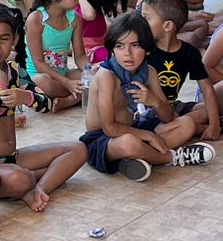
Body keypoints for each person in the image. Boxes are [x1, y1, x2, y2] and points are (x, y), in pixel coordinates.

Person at [0, 4, 88, 212]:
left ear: (15, 40)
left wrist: (26, 96)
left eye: (3, 38)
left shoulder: (13, 70)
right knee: (20, 178)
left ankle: (39, 188)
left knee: (78, 149)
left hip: (13, 157)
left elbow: (46, 104)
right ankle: (30, 183)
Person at [79, 11, 214, 183]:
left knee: (187, 124)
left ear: (147, 48)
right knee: (129, 143)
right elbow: (109, 129)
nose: (127, 53)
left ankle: (138, 158)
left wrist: (154, 101)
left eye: (135, 45)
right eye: (120, 46)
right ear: (112, 48)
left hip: (134, 127)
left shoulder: (149, 71)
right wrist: (150, 136)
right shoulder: (107, 75)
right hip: (101, 139)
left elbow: (168, 117)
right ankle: (172, 157)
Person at [140, 0, 223, 138]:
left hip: (174, 107)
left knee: (205, 109)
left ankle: (212, 124)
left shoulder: (189, 52)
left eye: (146, 18)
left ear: (168, 26)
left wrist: (213, 125)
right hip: (148, 110)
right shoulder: (142, 50)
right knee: (177, 122)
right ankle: (207, 127)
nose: (140, 22)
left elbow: (207, 90)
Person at [24, 0, 85, 110]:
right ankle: (79, 96)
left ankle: (69, 100)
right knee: (44, 82)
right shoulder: (36, 20)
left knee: (96, 78)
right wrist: (66, 83)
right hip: (40, 76)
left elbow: (80, 56)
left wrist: (90, 70)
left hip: (64, 74)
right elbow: (39, 63)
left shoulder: (74, 19)